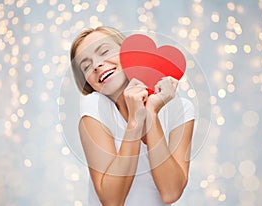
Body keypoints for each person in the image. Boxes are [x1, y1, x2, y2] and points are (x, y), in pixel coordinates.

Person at [70, 26, 195, 206]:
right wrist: (135, 121)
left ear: (129, 53)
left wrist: (150, 112)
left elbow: (171, 192)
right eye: (86, 66)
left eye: (104, 51)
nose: (96, 65)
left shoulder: (181, 109)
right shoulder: (94, 106)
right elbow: (112, 201)